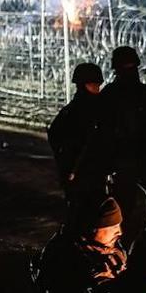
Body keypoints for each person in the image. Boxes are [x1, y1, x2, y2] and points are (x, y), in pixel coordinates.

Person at [88, 46, 146, 235]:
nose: (130, 72)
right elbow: (102, 131)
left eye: (131, 68)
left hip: (142, 158)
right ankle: (130, 245)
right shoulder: (113, 96)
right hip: (125, 160)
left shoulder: (139, 94)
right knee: (125, 209)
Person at [47, 62, 104, 217]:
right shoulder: (74, 112)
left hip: (92, 171)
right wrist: (69, 165)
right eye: (93, 85)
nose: (97, 89)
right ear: (83, 85)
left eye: (98, 85)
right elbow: (57, 137)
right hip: (78, 172)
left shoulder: (96, 108)